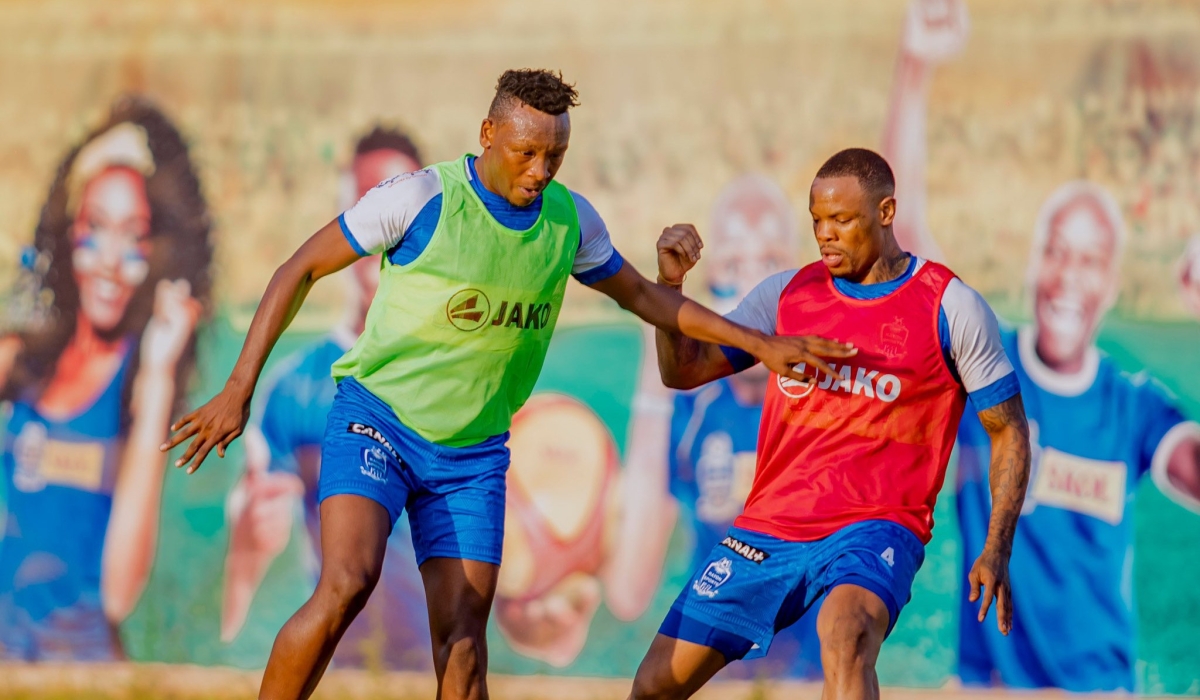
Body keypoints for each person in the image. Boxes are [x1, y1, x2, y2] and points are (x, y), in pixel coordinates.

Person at [162, 69, 852, 700]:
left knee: (463, 638)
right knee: (348, 582)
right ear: (488, 134)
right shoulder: (423, 199)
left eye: (555, 156)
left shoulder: (568, 221)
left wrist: (761, 343)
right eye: (525, 152)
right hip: (378, 419)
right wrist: (238, 386)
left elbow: (645, 298)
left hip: (471, 456)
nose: (540, 170)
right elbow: (299, 268)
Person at [627, 148, 1032, 700]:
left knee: (844, 635)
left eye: (842, 219)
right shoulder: (787, 295)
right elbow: (684, 372)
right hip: (770, 526)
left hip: (876, 528)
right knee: (654, 684)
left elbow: (1008, 429)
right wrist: (670, 289)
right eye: (817, 219)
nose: (825, 233)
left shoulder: (950, 307)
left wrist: (997, 546)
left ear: (887, 212)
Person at [953, 182, 1200, 692]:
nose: (1067, 275)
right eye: (1057, 252)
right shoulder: (986, 365)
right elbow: (904, 253)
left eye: (1090, 260)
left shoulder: (1132, 405)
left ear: (1111, 283)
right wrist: (911, 96)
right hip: (989, 686)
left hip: (1099, 689)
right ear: (1033, 262)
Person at [0, 97, 209, 661]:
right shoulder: (20, 365)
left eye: (134, 235)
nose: (112, 259)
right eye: (95, 229)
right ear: (69, 235)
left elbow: (118, 594)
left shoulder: (143, 381)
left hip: (82, 672)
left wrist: (163, 371)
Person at [219, 127, 432, 670]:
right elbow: (241, 585)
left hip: (435, 660)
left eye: (403, 214)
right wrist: (250, 542)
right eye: (371, 204)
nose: (387, 232)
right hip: (338, 668)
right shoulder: (294, 386)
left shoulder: (459, 372)